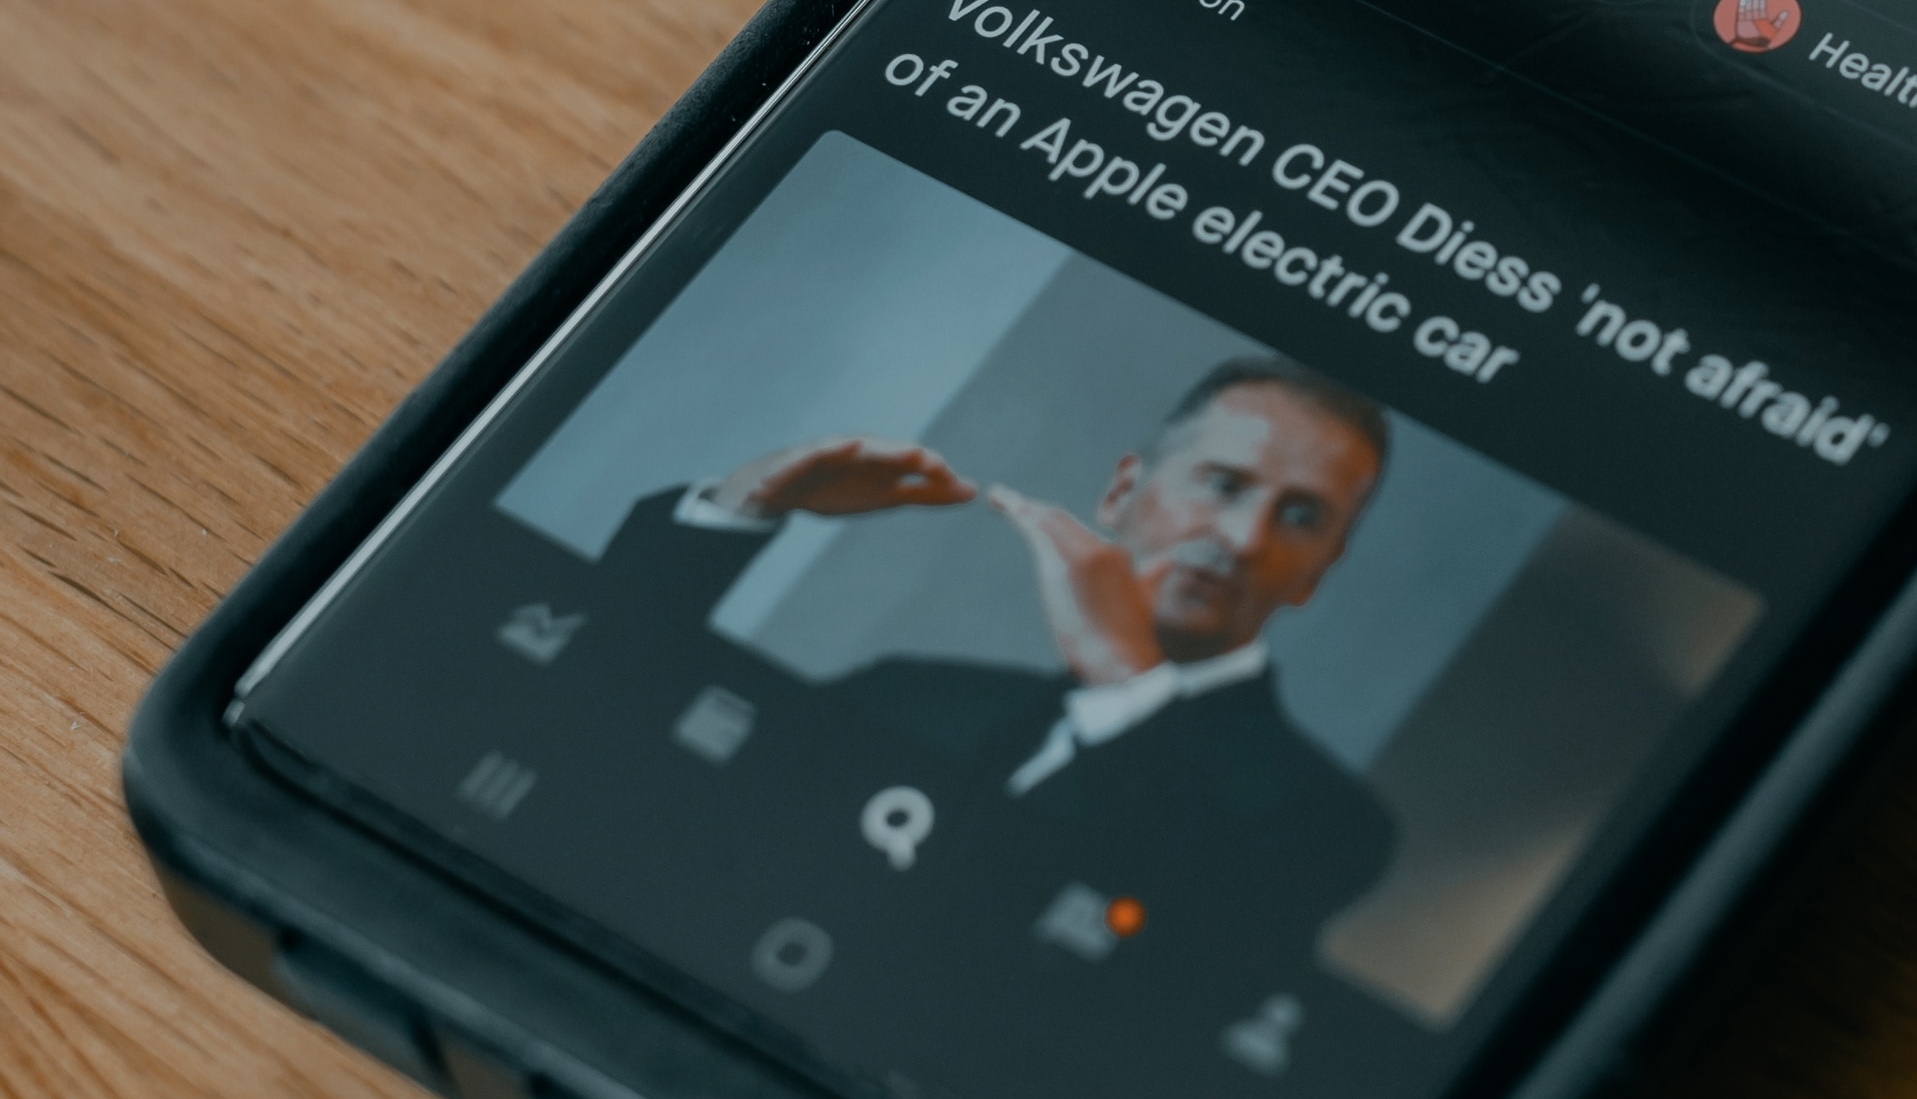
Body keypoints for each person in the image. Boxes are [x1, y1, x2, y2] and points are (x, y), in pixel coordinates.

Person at [503, 360, 1400, 1031]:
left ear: (1322, 570)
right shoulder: (911, 692)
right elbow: (599, 732)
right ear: (1125, 492)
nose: (1242, 538)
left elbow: (1161, 1007)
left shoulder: (1325, 824)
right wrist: (733, 512)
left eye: (1301, 516)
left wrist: (1130, 684)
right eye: (1224, 484)